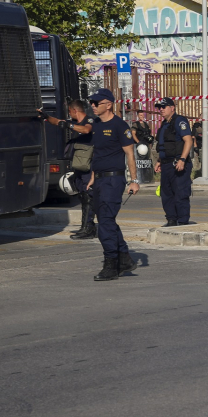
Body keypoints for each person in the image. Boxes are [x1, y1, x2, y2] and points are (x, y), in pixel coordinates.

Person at [85, 88, 139, 282]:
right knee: (106, 220)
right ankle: (124, 259)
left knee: (105, 223)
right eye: (92, 102)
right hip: (99, 179)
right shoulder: (96, 125)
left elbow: (130, 154)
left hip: (113, 180)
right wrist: (92, 176)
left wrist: (134, 180)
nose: (93, 106)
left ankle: (111, 264)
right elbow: (97, 154)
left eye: (96, 103)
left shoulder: (119, 125)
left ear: (108, 104)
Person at [38, 99, 97, 240]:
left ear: (75, 110)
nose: (69, 115)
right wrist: (46, 116)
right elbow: (57, 122)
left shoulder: (89, 120)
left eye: (70, 112)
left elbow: (86, 129)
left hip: (89, 165)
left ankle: (88, 228)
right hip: (79, 164)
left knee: (88, 195)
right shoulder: (75, 123)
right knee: (82, 195)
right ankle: (85, 226)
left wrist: (69, 125)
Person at [154, 97, 194, 227]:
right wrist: (159, 160)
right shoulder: (165, 124)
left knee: (180, 193)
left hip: (178, 163)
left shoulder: (179, 121)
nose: (161, 110)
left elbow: (188, 141)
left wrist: (182, 159)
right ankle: (171, 219)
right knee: (166, 194)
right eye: (159, 107)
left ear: (172, 108)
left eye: (163, 107)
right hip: (166, 164)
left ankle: (182, 221)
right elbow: (166, 145)